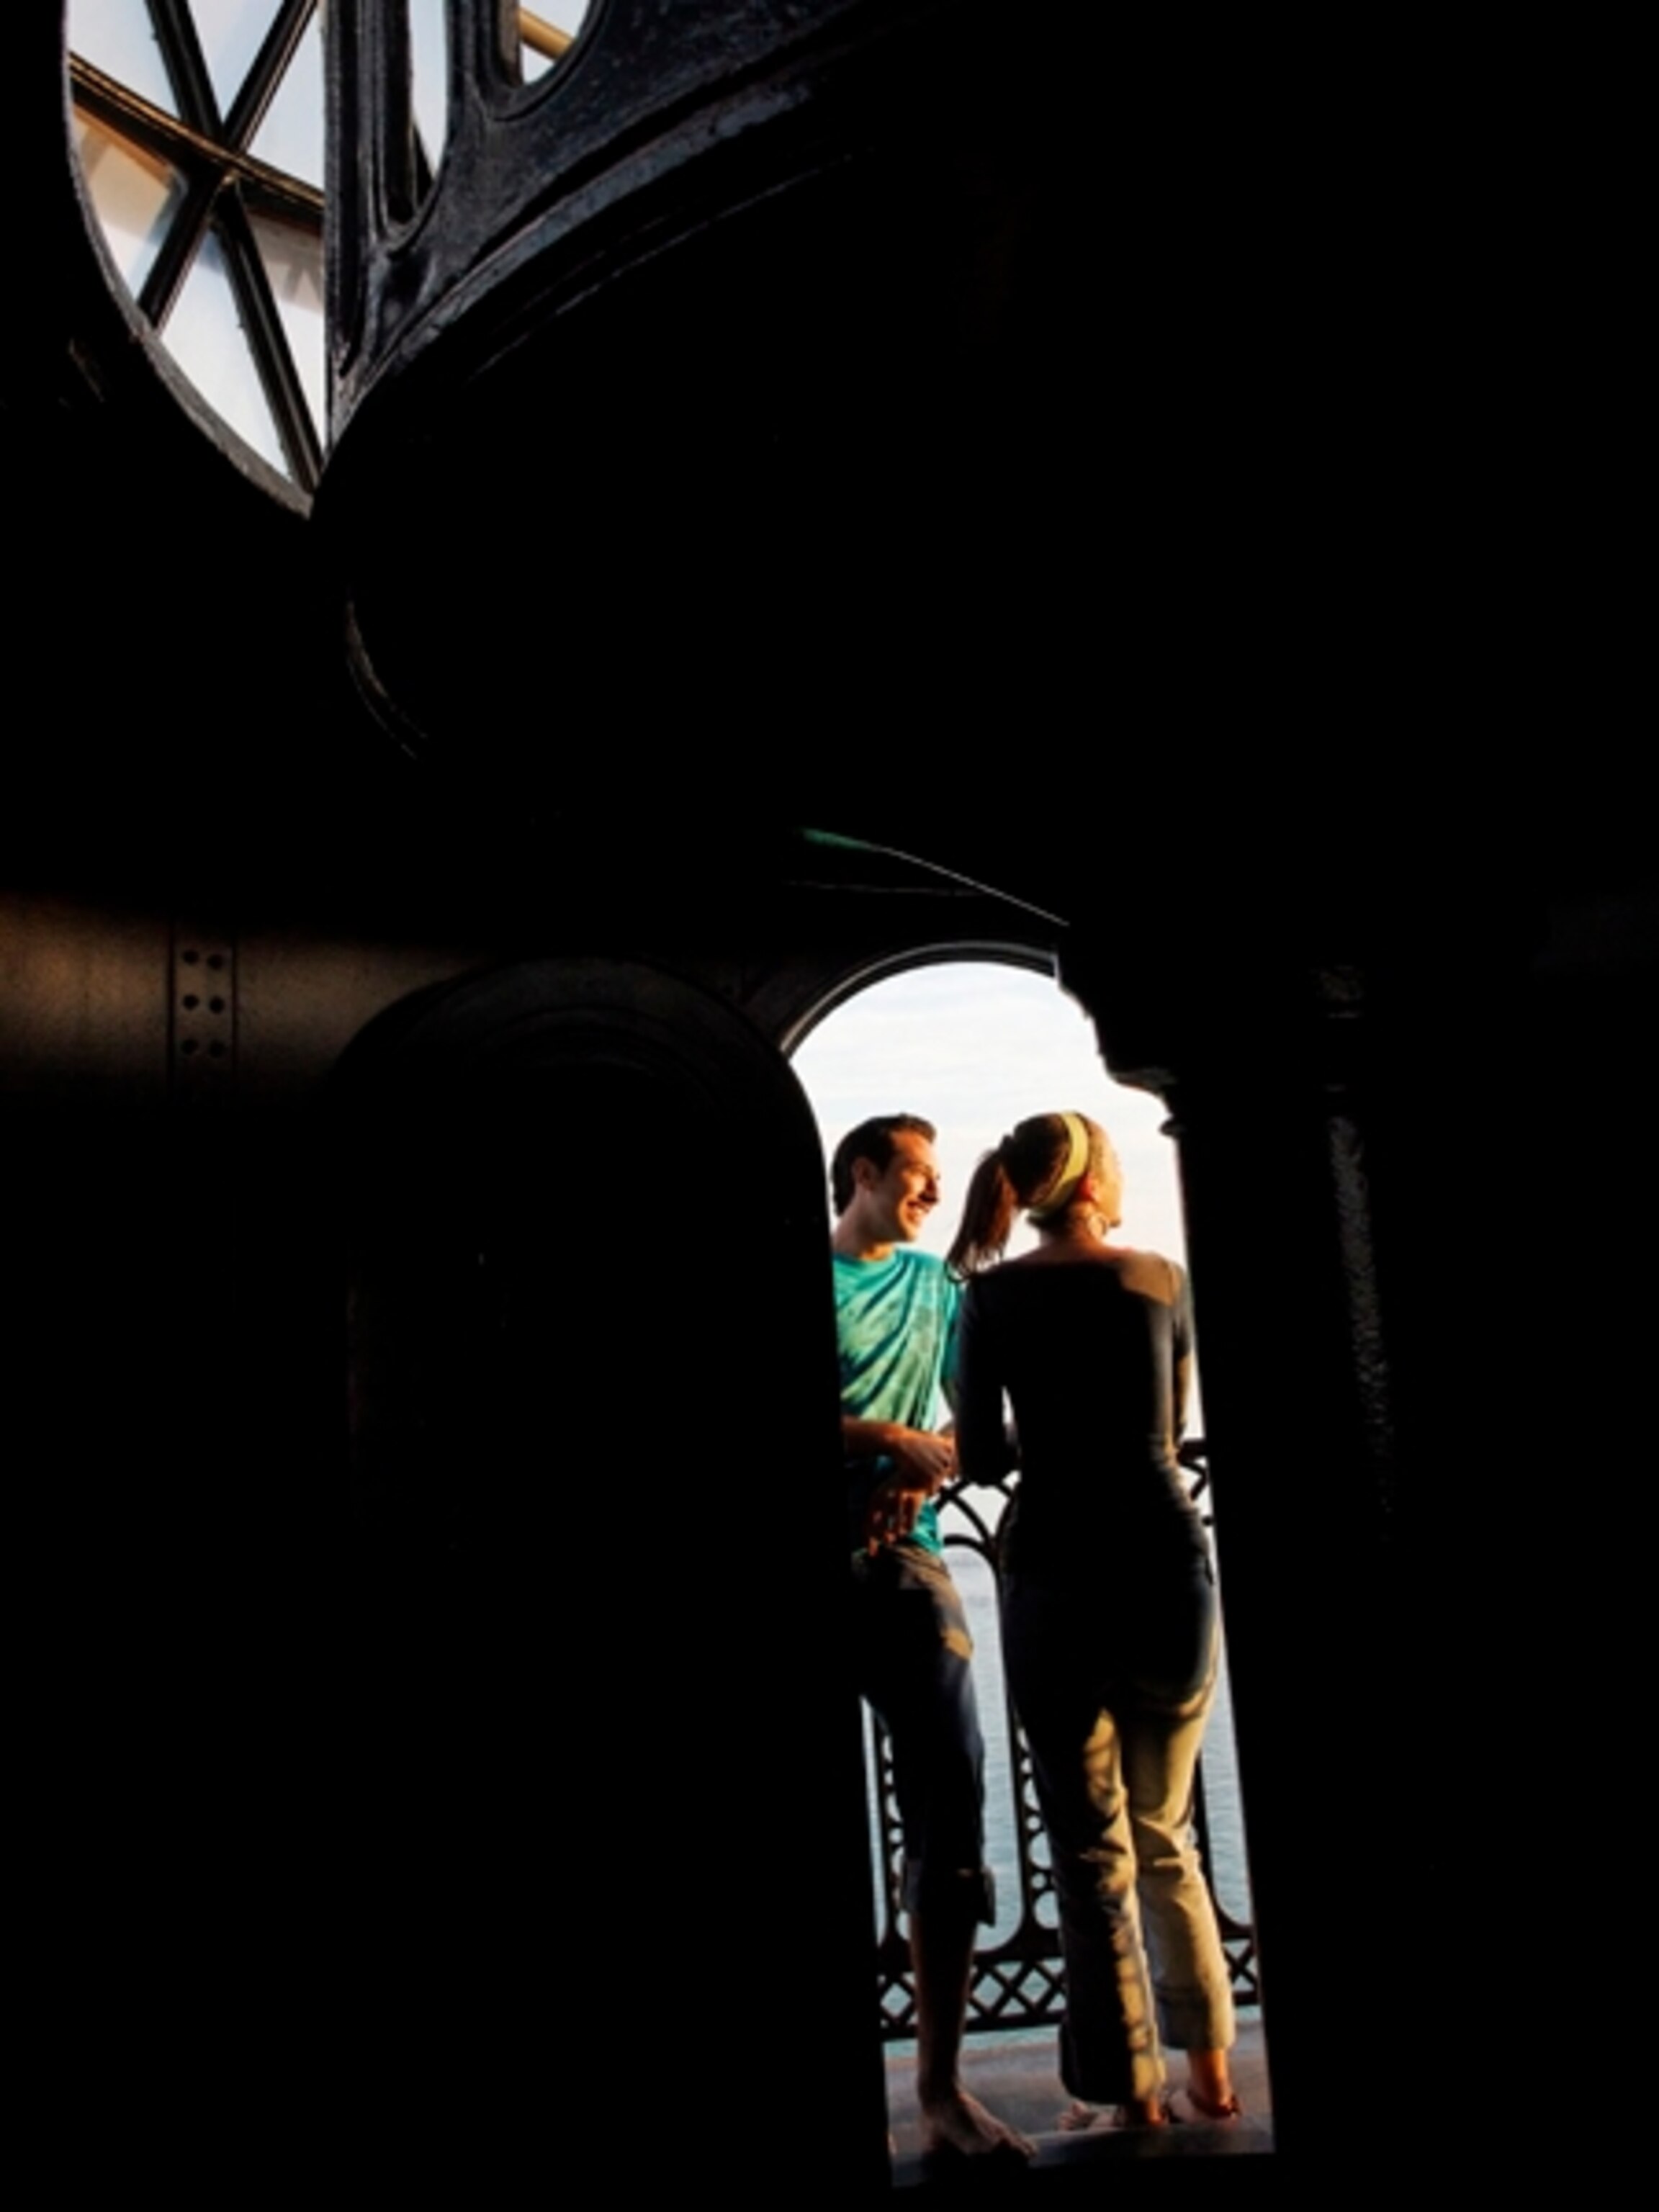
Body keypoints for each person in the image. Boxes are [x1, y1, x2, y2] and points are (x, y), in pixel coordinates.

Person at [947, 1110, 1241, 2130]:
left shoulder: (987, 1300)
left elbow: (980, 1458)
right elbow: (1173, 1414)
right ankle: (1212, 2072)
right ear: (1094, 1185)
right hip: (1168, 1562)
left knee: (1089, 1849)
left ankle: (1126, 2096)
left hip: (1057, 1572)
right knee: (1166, 1832)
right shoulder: (1161, 1278)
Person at [832, 1113, 1033, 2162]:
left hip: (907, 1557)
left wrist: (923, 1460)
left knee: (952, 1805)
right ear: (862, 1172)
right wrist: (875, 1437)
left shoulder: (936, 1291)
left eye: (936, 1180)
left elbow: (975, 1425)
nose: (928, 1194)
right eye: (915, 1175)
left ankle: (940, 2087)